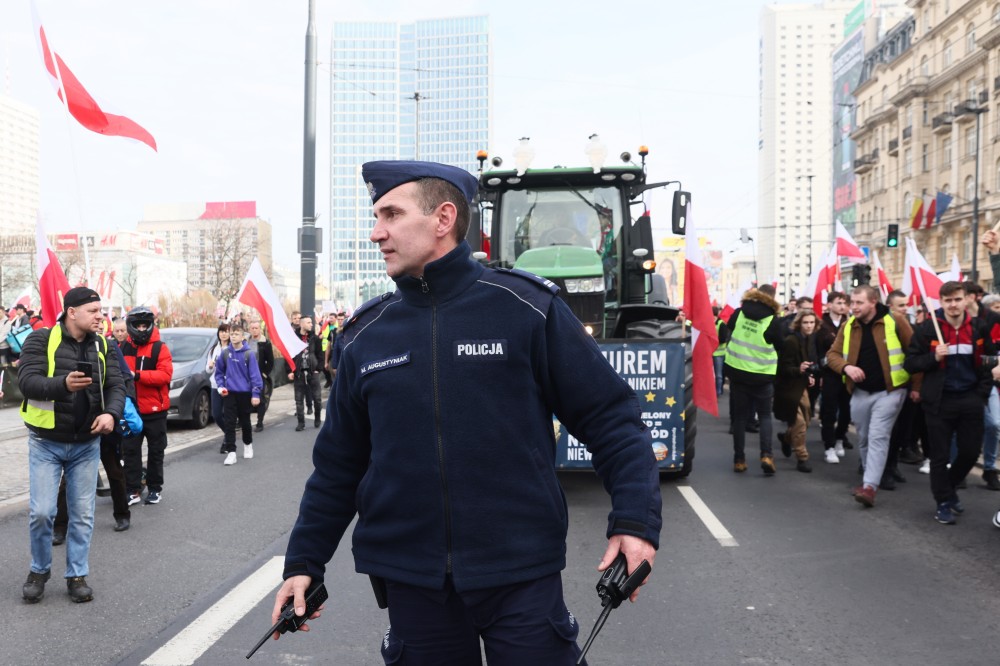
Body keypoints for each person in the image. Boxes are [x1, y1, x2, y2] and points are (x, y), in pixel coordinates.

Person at [271, 160, 661, 664]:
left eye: (391, 214)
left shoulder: (527, 309)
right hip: (412, 583)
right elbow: (338, 467)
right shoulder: (365, 336)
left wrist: (635, 521)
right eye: (376, 216)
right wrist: (303, 562)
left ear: (443, 218)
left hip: (521, 574)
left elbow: (611, 419)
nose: (376, 233)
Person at [18, 287, 126, 603]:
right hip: (45, 443)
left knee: (82, 515)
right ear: (72, 312)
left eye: (101, 310)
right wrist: (62, 386)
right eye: (93, 311)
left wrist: (111, 413)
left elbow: (118, 385)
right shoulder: (40, 340)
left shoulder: (104, 345)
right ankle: (39, 571)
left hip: (86, 444)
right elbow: (27, 382)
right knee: (41, 512)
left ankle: (76, 575)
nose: (100, 317)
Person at [903, 281, 995, 524]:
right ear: (941, 303)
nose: (953, 305)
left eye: (957, 299)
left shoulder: (978, 328)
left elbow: (989, 361)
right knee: (939, 455)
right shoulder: (926, 330)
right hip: (939, 401)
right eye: (948, 301)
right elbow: (910, 364)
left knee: (970, 452)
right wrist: (933, 357)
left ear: (966, 300)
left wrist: (981, 394)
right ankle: (943, 502)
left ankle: (949, 488)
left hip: (970, 399)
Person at [826, 285, 913, 508]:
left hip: (891, 391)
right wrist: (846, 367)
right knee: (864, 438)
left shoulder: (894, 321)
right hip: (860, 392)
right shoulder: (848, 326)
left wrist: (917, 387)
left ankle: (869, 487)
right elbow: (832, 355)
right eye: (851, 302)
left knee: (877, 436)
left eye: (858, 303)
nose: (852, 307)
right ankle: (869, 478)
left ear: (873, 302)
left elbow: (914, 351)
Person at [53, 331, 136, 541]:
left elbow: (124, 379)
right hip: (79, 425)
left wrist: (112, 412)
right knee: (67, 481)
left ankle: (122, 515)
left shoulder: (106, 345)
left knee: (114, 471)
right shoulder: (65, 346)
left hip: (105, 423)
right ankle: (60, 527)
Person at [724, 286, 783, 475]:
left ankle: (739, 460)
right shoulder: (773, 321)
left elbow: (729, 330)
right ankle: (766, 455)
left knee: (740, 418)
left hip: (738, 374)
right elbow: (781, 345)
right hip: (762, 376)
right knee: (765, 416)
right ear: (771, 299)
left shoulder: (739, 313)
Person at [120, 307, 174, 506]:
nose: (142, 329)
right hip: (129, 411)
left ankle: (154, 488)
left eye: (145, 325)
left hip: (155, 411)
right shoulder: (122, 348)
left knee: (156, 451)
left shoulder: (160, 348)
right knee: (129, 451)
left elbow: (165, 375)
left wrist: (138, 375)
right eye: (138, 325)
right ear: (131, 326)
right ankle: (133, 489)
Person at [774, 308, 818, 473]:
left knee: (806, 420)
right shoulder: (792, 341)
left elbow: (805, 363)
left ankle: (787, 438)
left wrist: (808, 375)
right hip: (787, 388)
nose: (809, 326)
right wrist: (799, 370)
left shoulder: (808, 339)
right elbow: (784, 367)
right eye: (805, 322)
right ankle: (802, 457)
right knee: (799, 422)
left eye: (812, 322)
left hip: (801, 385)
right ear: (799, 324)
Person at [214, 324, 262, 465]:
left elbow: (255, 376)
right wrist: (221, 386)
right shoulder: (225, 353)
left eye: (236, 334)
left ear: (242, 336)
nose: (233, 336)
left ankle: (248, 445)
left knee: (245, 422)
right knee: (229, 423)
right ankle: (231, 452)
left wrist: (256, 394)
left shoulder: (249, 354)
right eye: (232, 334)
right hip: (229, 393)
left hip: (245, 393)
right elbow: (219, 373)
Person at [816, 291, 852, 463]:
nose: (842, 306)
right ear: (829, 304)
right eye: (838, 302)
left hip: (848, 372)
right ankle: (829, 446)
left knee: (846, 410)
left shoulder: (851, 323)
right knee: (829, 410)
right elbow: (817, 350)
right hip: (830, 373)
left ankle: (840, 439)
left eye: (845, 303)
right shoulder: (821, 325)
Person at [288, 315, 323, 432]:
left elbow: (320, 354)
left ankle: (317, 417)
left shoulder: (315, 338)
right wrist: (290, 371)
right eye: (308, 322)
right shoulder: (293, 338)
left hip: (313, 372)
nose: (311, 324)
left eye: (311, 323)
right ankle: (301, 423)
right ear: (302, 324)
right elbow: (288, 356)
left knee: (317, 399)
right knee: (298, 400)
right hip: (299, 373)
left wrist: (318, 368)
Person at [247, 321, 274, 432]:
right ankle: (244, 421)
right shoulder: (245, 342)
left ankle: (259, 422)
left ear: (260, 329)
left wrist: (264, 373)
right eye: (252, 328)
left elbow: (271, 361)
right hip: (246, 375)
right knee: (245, 398)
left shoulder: (265, 343)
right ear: (249, 329)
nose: (254, 330)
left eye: (256, 328)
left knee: (260, 399)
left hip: (259, 375)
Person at [207, 323, 231, 444]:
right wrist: (210, 366)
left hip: (229, 386)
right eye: (222, 331)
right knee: (216, 414)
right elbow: (208, 369)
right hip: (215, 385)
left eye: (226, 331)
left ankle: (227, 441)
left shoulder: (232, 349)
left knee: (227, 413)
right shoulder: (213, 350)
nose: (224, 334)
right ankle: (228, 433)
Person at [712, 306, 730, 397]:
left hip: (719, 354)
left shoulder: (721, 324)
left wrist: (712, 339)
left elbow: (723, 339)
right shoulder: (708, 323)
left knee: (718, 375)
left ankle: (718, 391)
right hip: (710, 353)